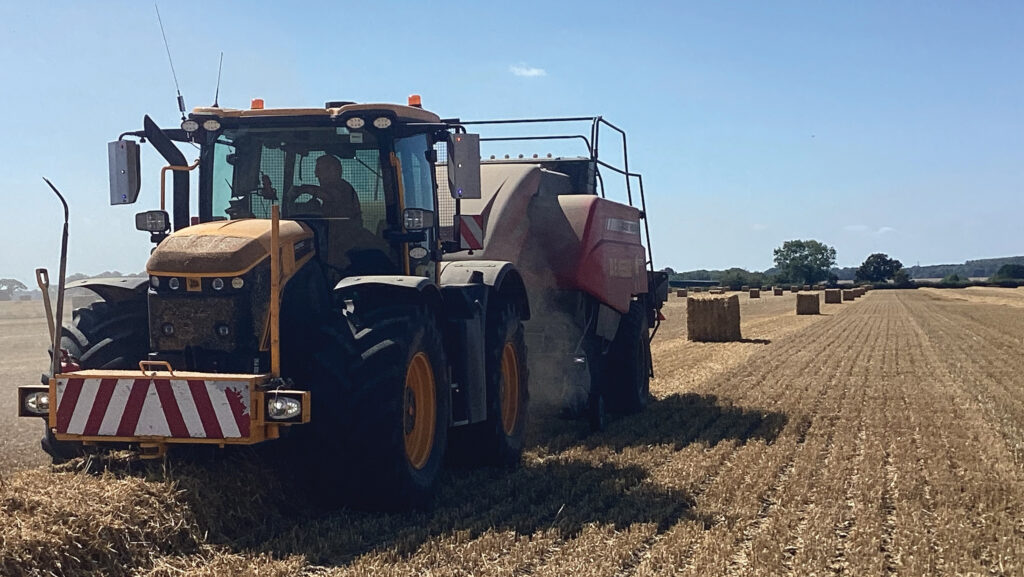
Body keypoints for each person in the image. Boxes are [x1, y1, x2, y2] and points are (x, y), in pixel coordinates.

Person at [285, 154, 362, 223]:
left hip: (346, 235)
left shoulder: (344, 189)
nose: (316, 174)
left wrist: (304, 189)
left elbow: (330, 195)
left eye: (319, 170)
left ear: (333, 171)